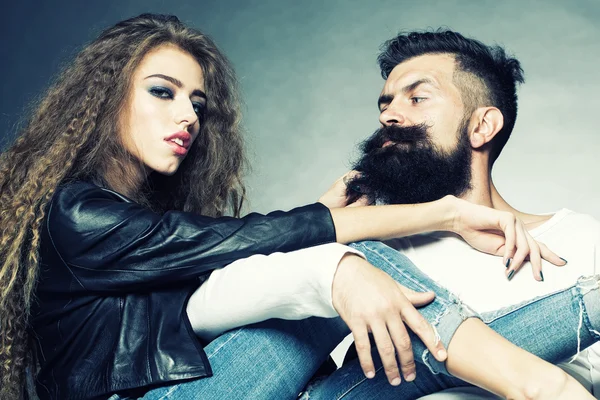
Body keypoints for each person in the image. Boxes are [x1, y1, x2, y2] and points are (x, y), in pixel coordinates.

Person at [0, 14, 587, 400]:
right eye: (162, 91)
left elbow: (222, 277)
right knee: (335, 272)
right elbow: (231, 257)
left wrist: (324, 249)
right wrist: (360, 253)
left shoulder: (577, 239)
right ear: (105, 98)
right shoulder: (79, 215)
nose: (188, 117)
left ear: (484, 123)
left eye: (198, 103)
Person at [297, 30, 600, 398]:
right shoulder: (366, 254)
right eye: (385, 105)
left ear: (482, 126)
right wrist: (321, 223)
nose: (389, 116)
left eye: (417, 98)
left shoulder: (582, 240)